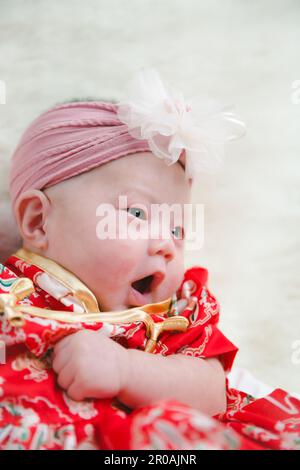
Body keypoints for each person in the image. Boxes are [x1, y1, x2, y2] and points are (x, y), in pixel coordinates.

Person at [0, 69, 299, 450]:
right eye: (138, 214)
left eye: (177, 229)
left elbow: (212, 392)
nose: (167, 246)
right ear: (39, 221)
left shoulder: (174, 313)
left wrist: (126, 370)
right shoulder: (9, 295)